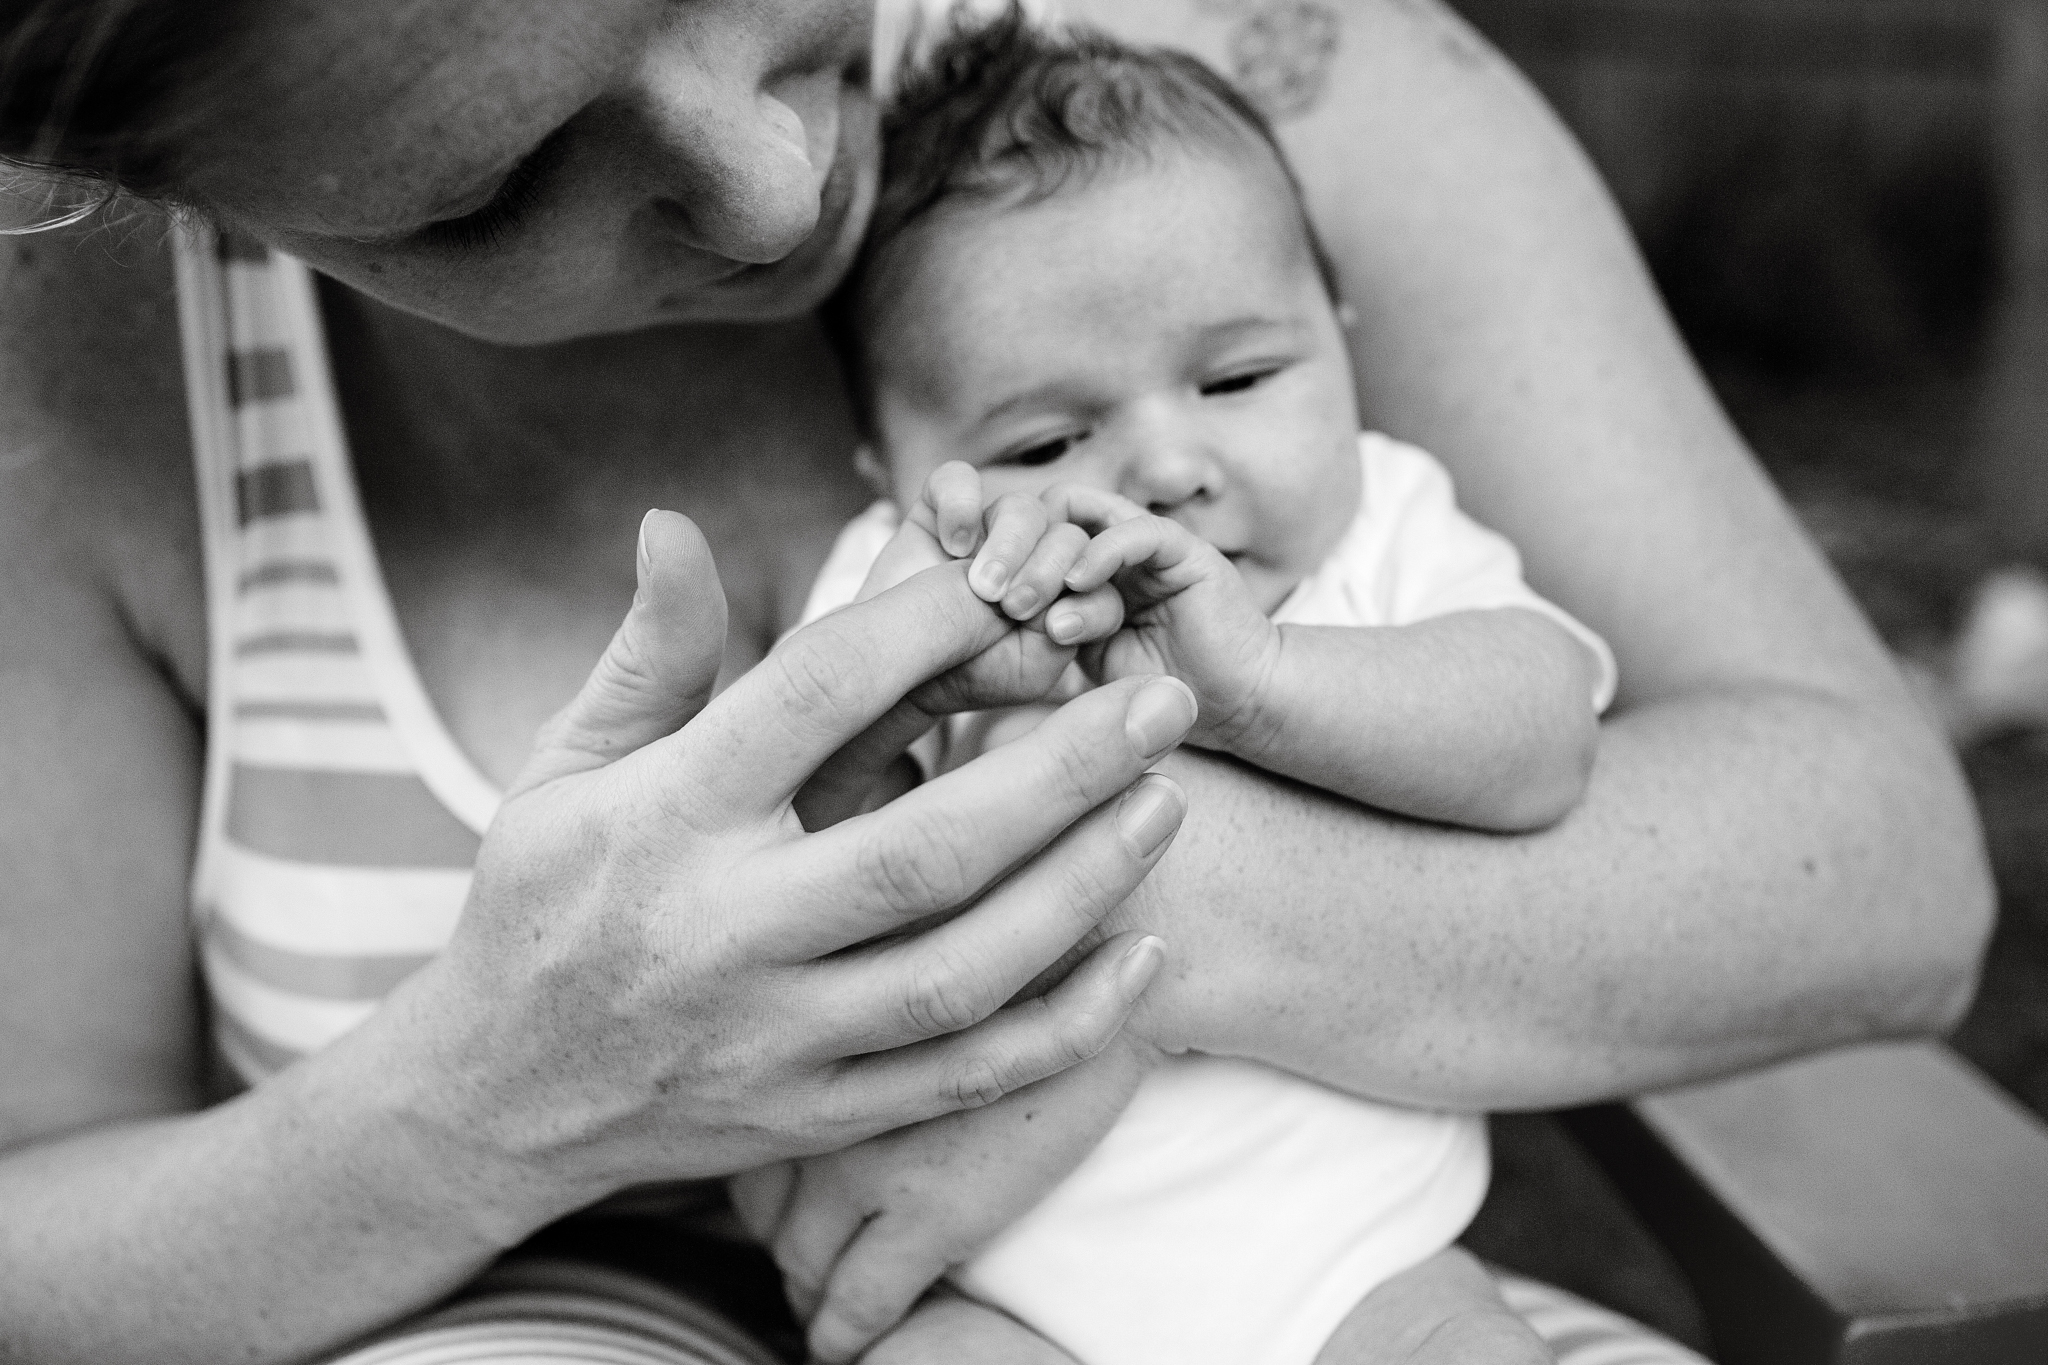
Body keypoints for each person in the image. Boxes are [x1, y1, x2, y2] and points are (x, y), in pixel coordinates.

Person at [0, 1, 1991, 1362]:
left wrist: (1104, 882)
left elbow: (1886, 870)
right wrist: (486, 1100)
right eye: (483, 192)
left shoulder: (1227, 99)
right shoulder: (72, 344)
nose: (780, 190)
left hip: (1332, 1281)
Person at [750, 21, 1614, 1365]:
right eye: (1044, 441)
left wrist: (1264, 685)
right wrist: (893, 699)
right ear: (895, 470)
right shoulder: (908, 586)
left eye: (1242, 378)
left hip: (1356, 1269)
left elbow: (1547, 732)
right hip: (991, 1287)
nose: (1165, 464)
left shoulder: (1385, 527)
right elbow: (799, 863)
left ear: (1343, 337)